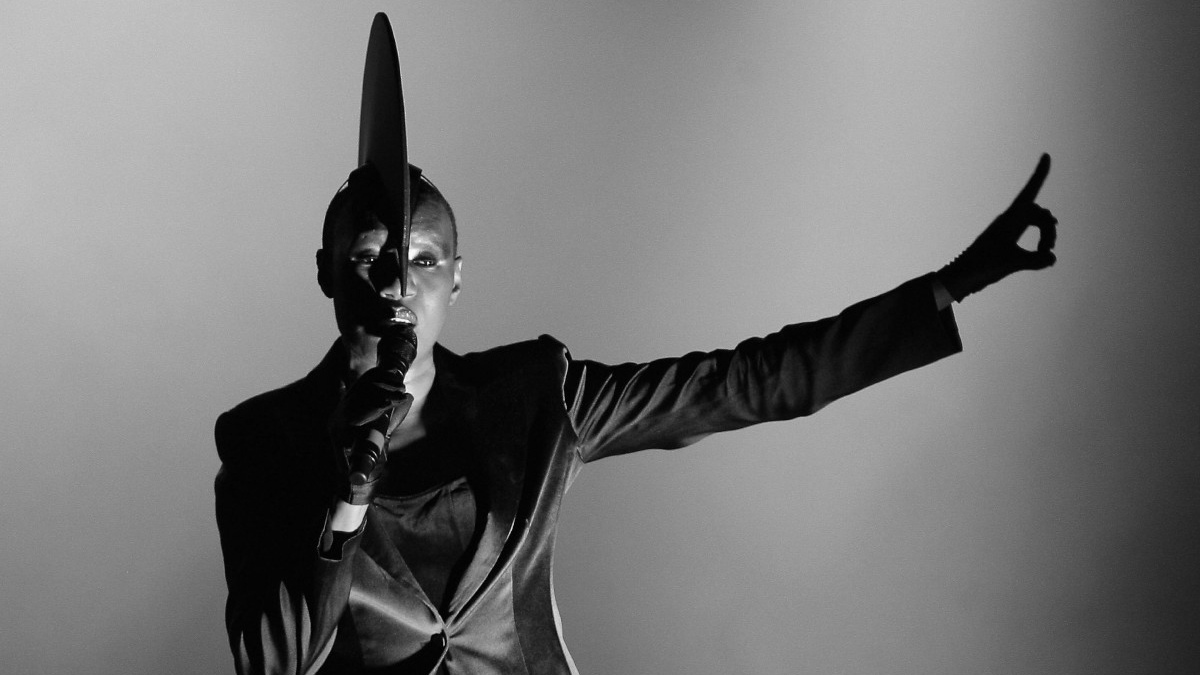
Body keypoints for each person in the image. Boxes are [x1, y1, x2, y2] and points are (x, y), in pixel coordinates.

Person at [214, 14, 1058, 675]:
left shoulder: (535, 397)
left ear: (459, 278)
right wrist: (346, 494)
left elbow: (750, 380)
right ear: (325, 271)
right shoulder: (263, 442)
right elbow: (272, 661)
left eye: (425, 259)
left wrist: (954, 282)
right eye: (370, 257)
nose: (399, 281)